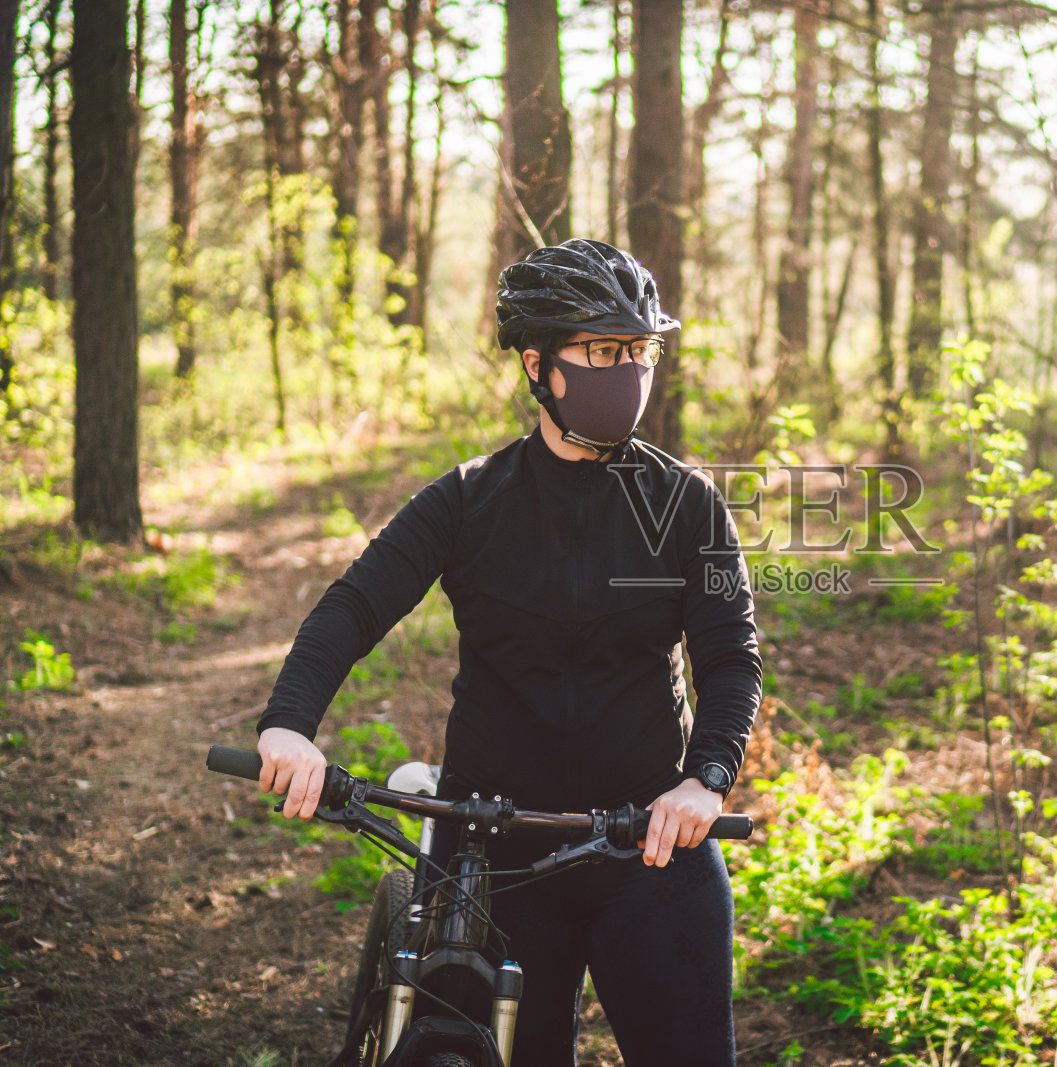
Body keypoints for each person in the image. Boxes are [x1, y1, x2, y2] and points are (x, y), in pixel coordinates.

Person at [253, 238, 762, 1066]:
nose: (630, 369)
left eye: (642, 350)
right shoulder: (467, 499)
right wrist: (289, 724)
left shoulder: (689, 503)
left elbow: (731, 657)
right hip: (491, 851)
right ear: (538, 364)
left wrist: (704, 782)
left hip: (650, 844)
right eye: (604, 350)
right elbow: (354, 605)